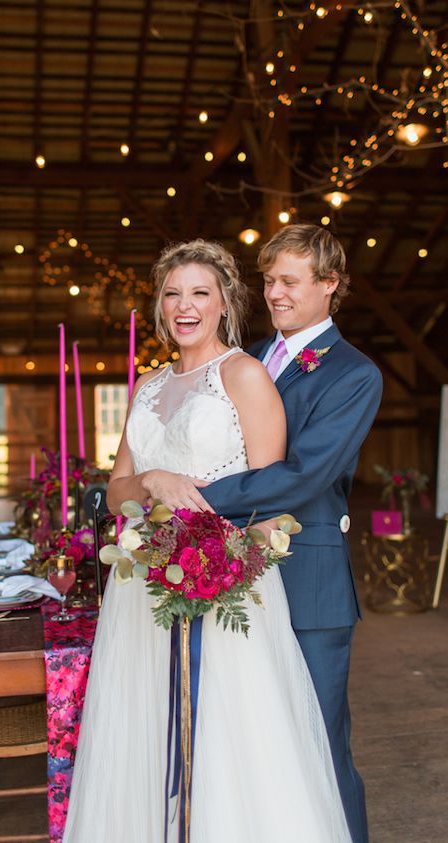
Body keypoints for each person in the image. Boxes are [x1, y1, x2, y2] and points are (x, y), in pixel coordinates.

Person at [63, 239, 352, 843]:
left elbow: (271, 499)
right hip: (143, 591)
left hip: (225, 585)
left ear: (225, 302)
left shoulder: (244, 375)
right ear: (159, 306)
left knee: (233, 743)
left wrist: (204, 543)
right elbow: (118, 492)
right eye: (172, 294)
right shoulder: (146, 387)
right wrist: (149, 481)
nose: (184, 306)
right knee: (146, 734)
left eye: (200, 293)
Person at [190, 224, 382, 843]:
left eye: (290, 282)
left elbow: (305, 475)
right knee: (249, 742)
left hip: (308, 577)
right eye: (269, 280)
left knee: (319, 740)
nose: (273, 293)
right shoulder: (243, 356)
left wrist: (193, 499)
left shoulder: (354, 374)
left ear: (329, 286)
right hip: (228, 572)